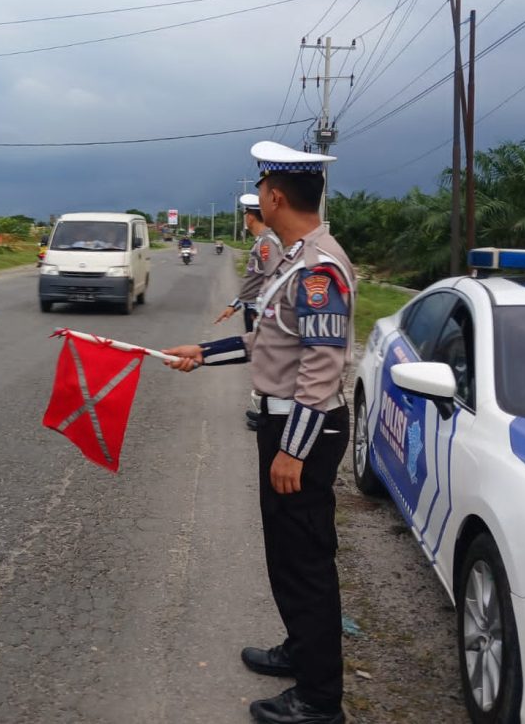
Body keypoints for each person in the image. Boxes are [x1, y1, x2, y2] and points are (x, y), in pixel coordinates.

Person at [163, 141, 355, 724]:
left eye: (261, 191)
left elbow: (321, 367)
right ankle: (302, 649)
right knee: (286, 553)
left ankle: (321, 700)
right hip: (289, 425)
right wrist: (205, 351)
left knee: (304, 561)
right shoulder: (294, 260)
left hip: (305, 430)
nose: (259, 201)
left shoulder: (319, 269)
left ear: (274, 197)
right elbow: (267, 342)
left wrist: (293, 450)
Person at [216, 193, 285, 430]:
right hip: (252, 308)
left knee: (263, 361)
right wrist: (233, 306)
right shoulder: (261, 242)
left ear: (251, 217)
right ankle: (263, 408)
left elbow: (272, 279)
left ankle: (266, 413)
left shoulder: (267, 243)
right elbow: (254, 282)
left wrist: (262, 312)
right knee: (259, 359)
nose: (245, 217)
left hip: (259, 312)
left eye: (246, 213)